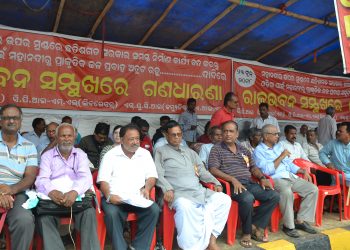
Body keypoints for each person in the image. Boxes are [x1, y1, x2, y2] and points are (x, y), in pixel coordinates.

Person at [154, 120, 231, 250]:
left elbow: (202, 171)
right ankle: (191, 247)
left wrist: (215, 182)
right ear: (166, 135)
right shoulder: (161, 151)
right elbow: (157, 173)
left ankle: (211, 241)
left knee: (224, 199)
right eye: (173, 134)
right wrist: (167, 188)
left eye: (179, 134)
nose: (177, 137)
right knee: (185, 207)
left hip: (199, 191)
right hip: (177, 193)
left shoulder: (190, 152)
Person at [208, 121, 279, 248]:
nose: (228, 134)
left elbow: (253, 167)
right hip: (230, 185)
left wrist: (262, 178)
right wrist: (232, 179)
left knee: (274, 195)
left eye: (231, 131)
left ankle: (255, 226)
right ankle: (246, 233)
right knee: (247, 198)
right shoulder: (216, 149)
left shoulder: (243, 149)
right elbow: (213, 169)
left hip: (248, 183)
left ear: (237, 134)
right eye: (225, 131)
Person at [35, 123, 100, 250]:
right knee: (43, 217)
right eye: (63, 136)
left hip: (76, 200)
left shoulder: (80, 154)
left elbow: (86, 177)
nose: (66, 139)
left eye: (69, 136)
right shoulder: (47, 156)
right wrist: (52, 192)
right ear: (57, 138)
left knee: (89, 213)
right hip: (53, 200)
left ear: (75, 137)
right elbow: (42, 179)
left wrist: (75, 191)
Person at [97, 124, 159, 250]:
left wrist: (147, 188)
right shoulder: (110, 155)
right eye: (131, 139)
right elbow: (103, 181)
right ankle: (121, 248)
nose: (135, 142)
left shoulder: (145, 154)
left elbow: (152, 177)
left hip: (137, 197)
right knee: (112, 213)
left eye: (137, 139)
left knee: (154, 210)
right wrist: (109, 196)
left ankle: (137, 247)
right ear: (121, 139)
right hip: (115, 198)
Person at [253, 124, 318, 238]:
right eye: (275, 134)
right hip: (276, 178)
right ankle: (288, 226)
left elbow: (289, 164)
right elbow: (267, 171)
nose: (278, 136)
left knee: (312, 189)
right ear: (266, 136)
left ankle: (300, 221)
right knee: (287, 193)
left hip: (290, 176)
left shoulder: (278, 147)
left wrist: (302, 171)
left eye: (278, 134)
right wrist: (281, 156)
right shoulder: (258, 151)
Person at [0, 104, 38, 250]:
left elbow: (30, 177)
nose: (11, 121)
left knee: (25, 220)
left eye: (15, 118)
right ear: (1, 121)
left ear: (20, 121)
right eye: (7, 118)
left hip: (17, 192)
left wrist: (10, 189)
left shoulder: (29, 146)